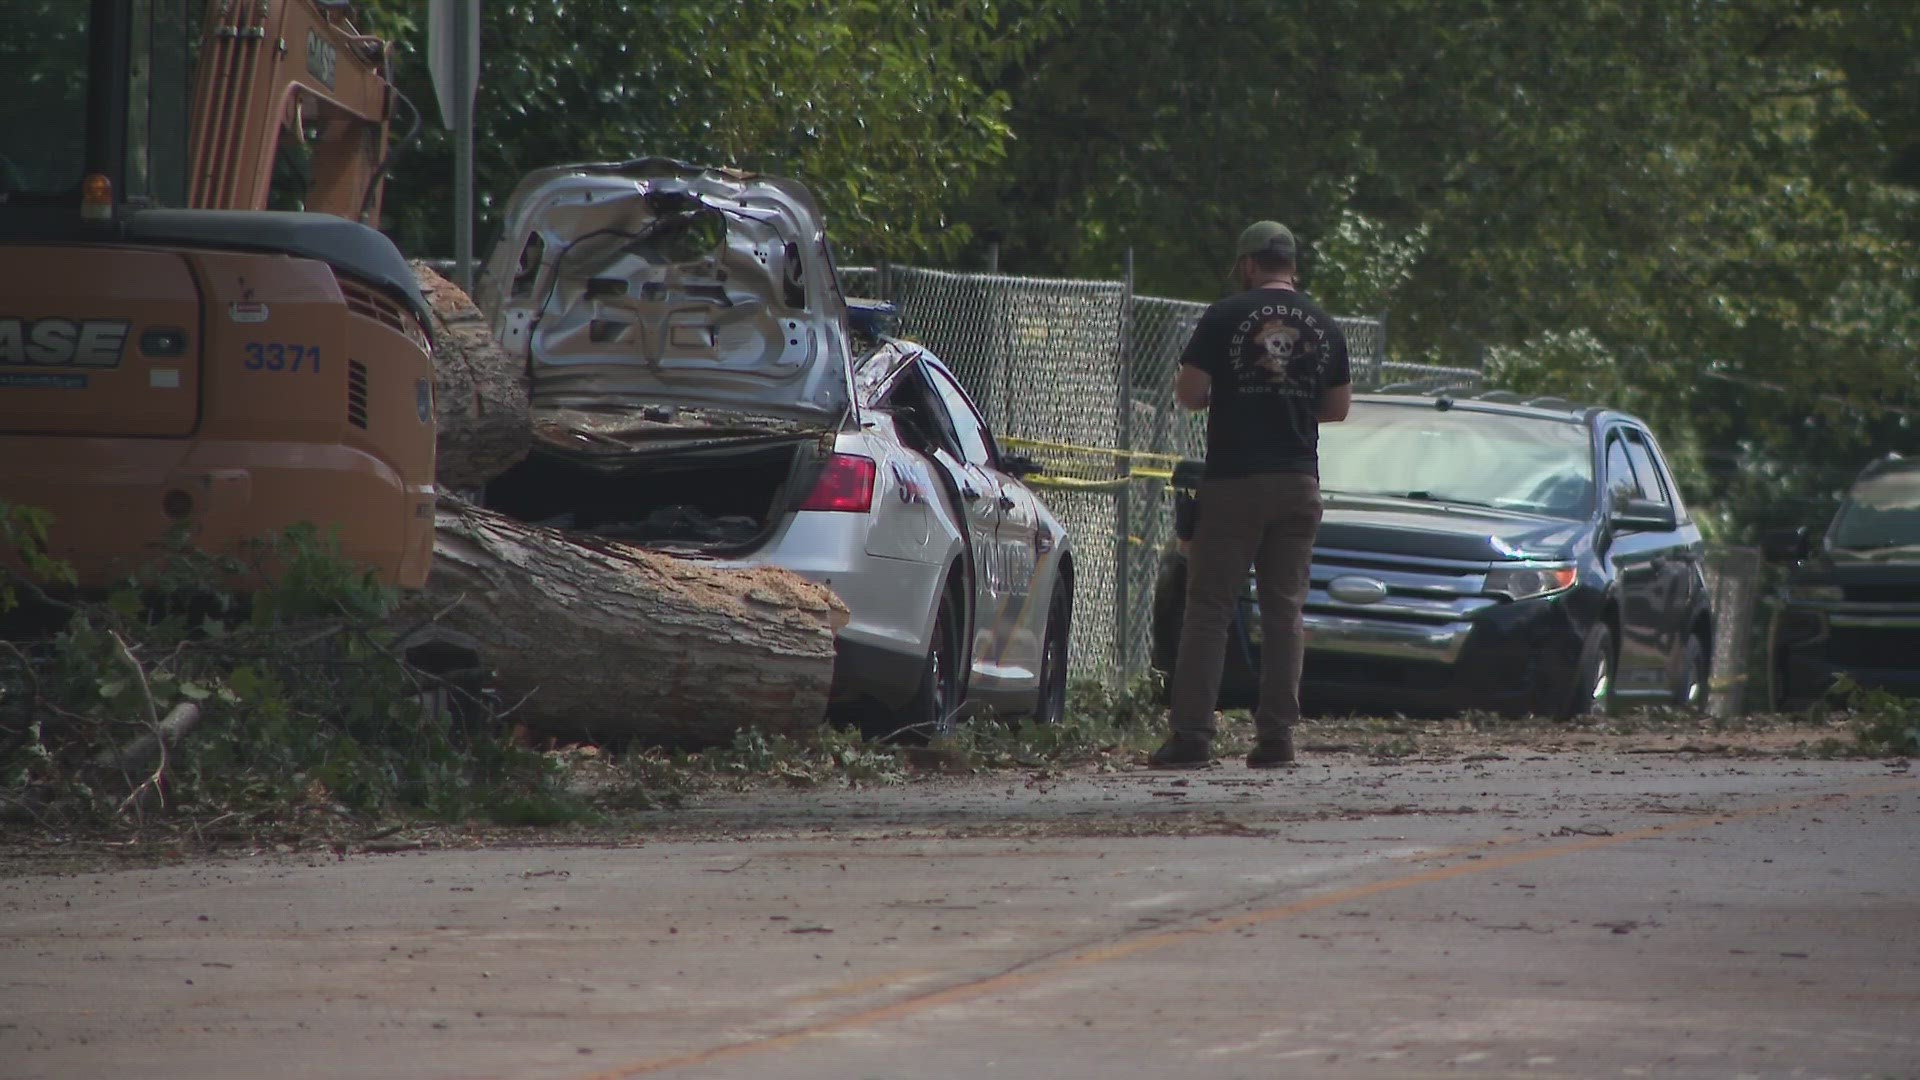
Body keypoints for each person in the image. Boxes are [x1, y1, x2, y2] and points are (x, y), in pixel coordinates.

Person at [1149, 221, 1351, 769]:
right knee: (1285, 610)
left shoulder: (1223, 315)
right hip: (1297, 481)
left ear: (1246, 264)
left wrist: (1233, 395)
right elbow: (1336, 409)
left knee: (1210, 608)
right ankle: (1276, 740)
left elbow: (1190, 394)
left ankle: (1192, 736)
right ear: (1291, 264)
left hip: (1234, 479)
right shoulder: (1325, 324)